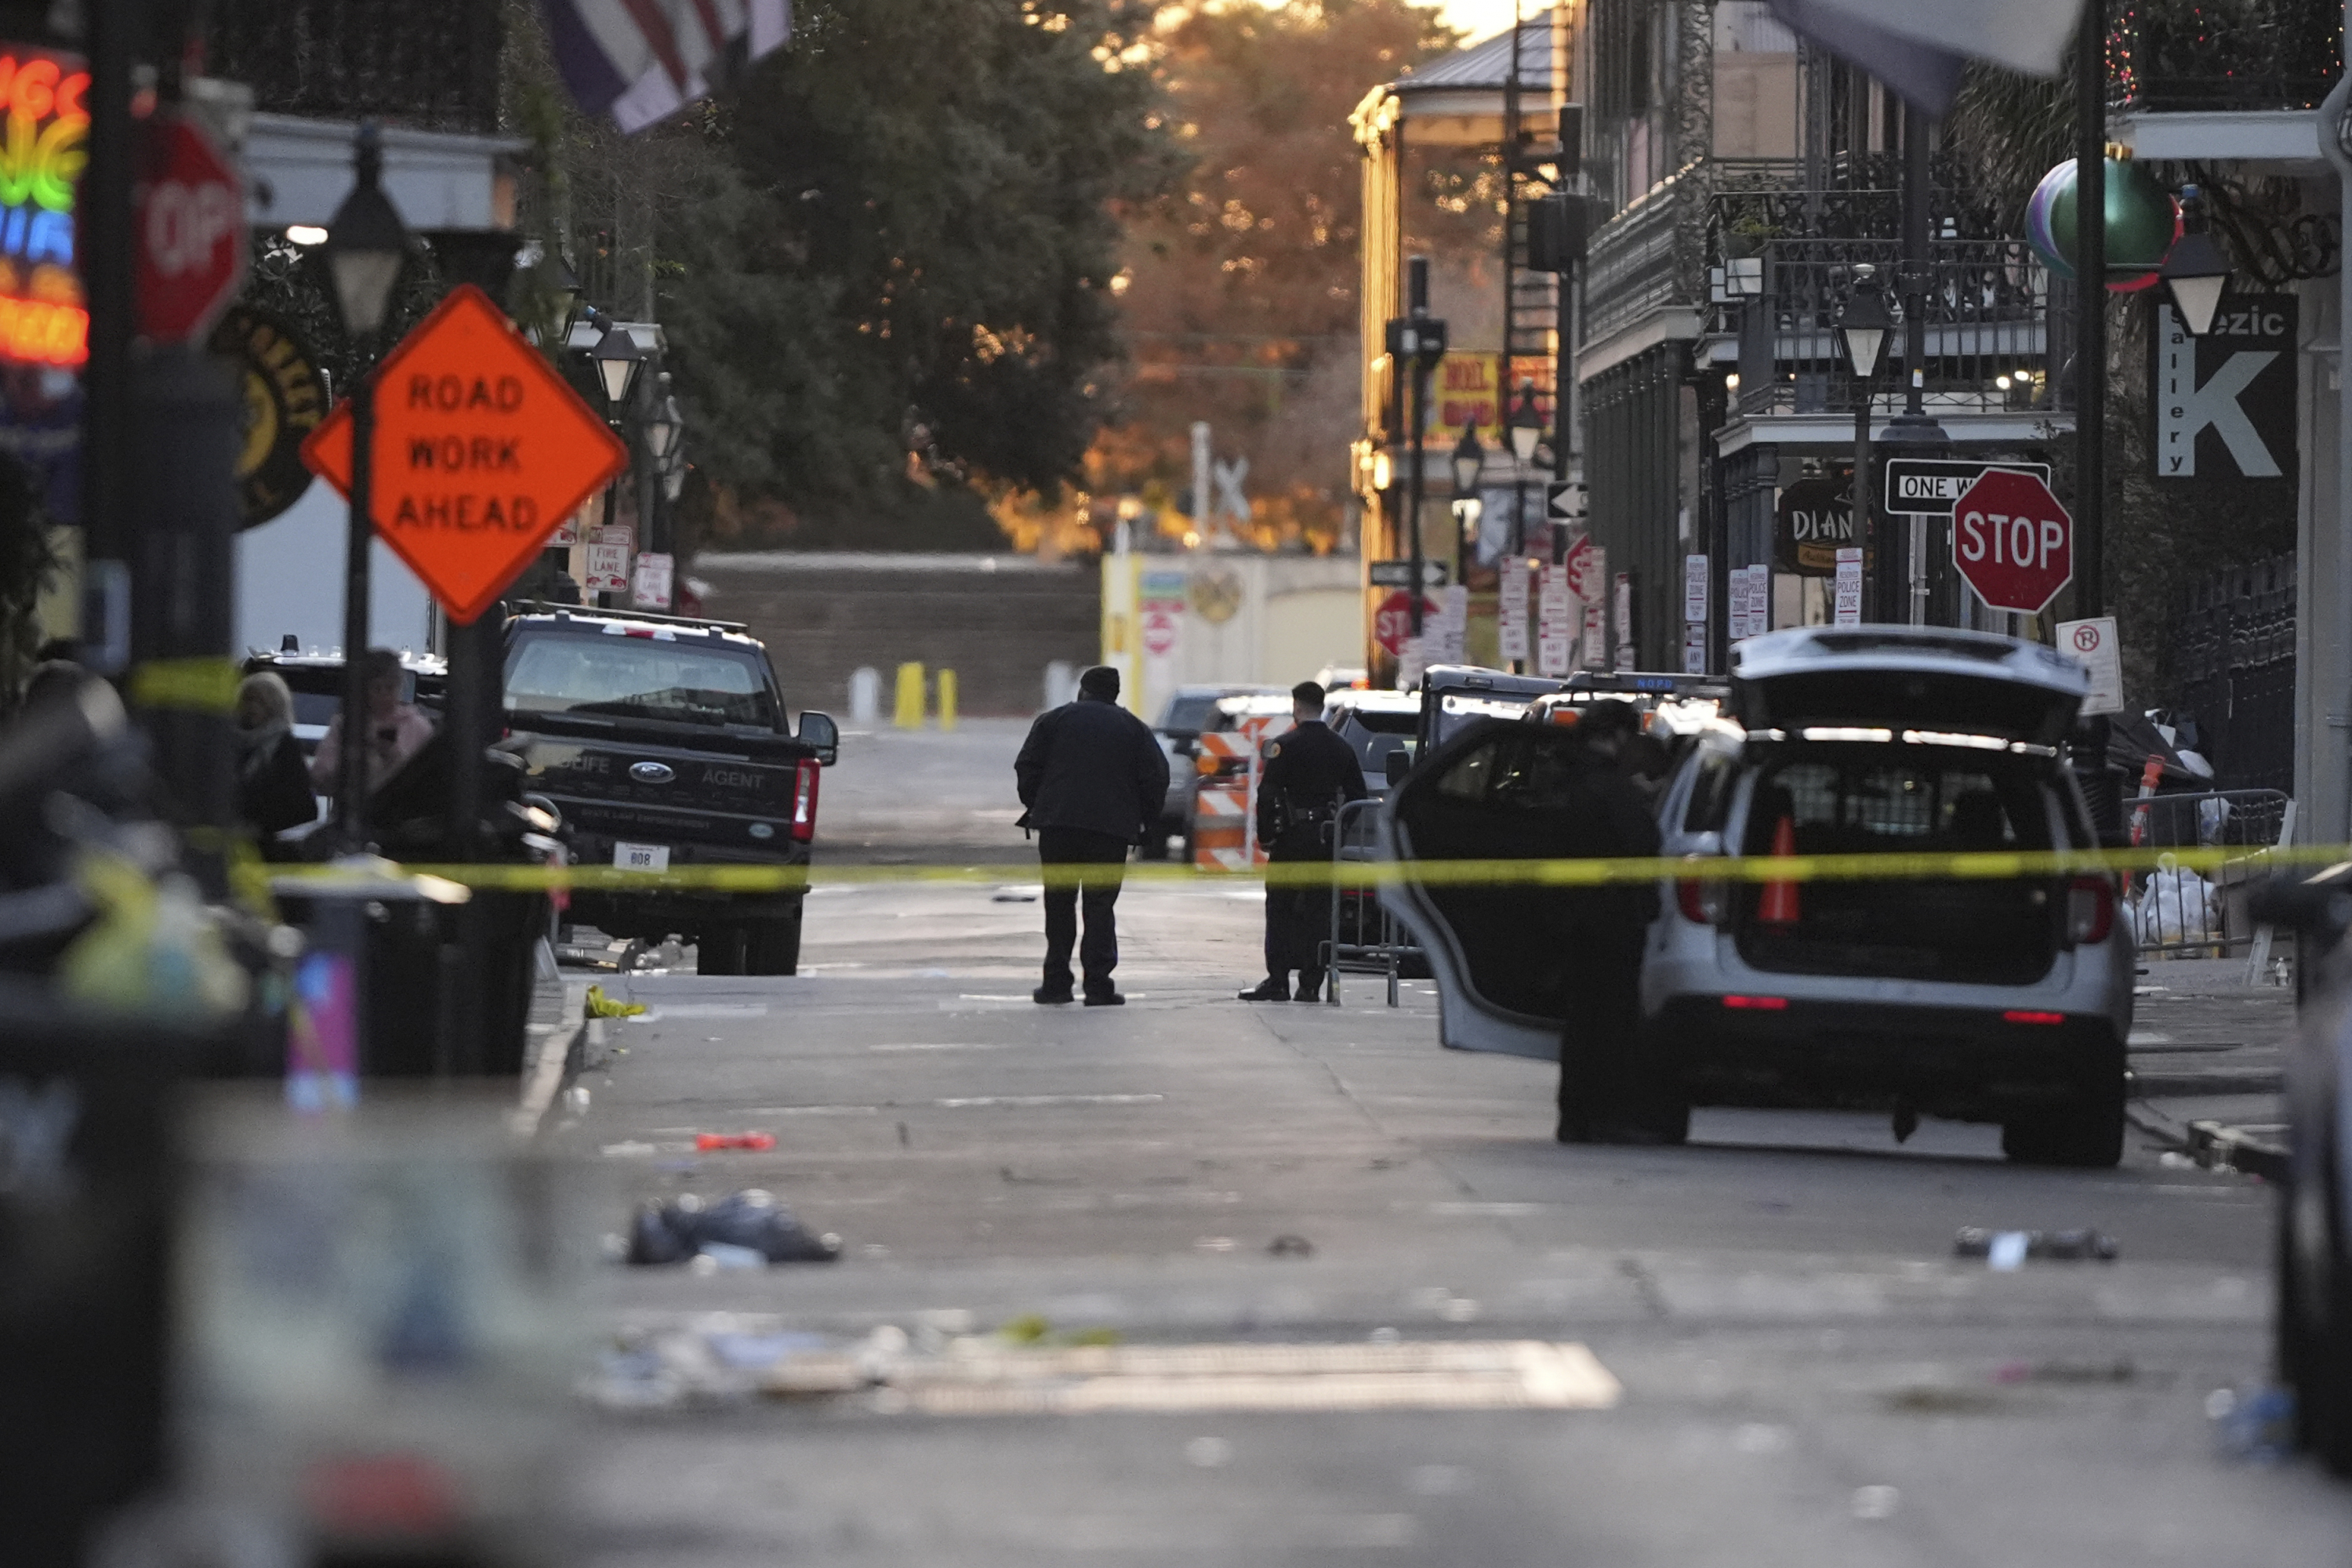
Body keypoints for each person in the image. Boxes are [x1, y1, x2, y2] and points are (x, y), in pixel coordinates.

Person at [1548, 699, 1671, 1143]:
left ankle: (1576, 1115)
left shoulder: (1563, 778)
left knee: (1583, 1021)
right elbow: (1643, 841)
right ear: (1617, 735)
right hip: (1611, 920)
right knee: (1611, 1021)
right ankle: (1601, 1115)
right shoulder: (1610, 787)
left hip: (1574, 917)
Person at [1014, 664, 1170, 1006]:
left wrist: (1040, 804)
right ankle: (1098, 985)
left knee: (1059, 904)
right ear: (1115, 695)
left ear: (1082, 690)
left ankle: (1056, 984)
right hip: (1110, 832)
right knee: (1099, 906)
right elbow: (1157, 777)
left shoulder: (1053, 721)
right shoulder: (1133, 728)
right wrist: (1142, 819)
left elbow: (1026, 766)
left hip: (1058, 828)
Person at [1240, 681, 1367, 1003]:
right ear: (1321, 706)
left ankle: (1278, 981)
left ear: (1296, 706)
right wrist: (1339, 829)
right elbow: (1358, 797)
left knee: (1281, 908)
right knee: (1318, 911)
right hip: (1324, 839)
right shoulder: (1341, 748)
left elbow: (1267, 795)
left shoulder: (1284, 745)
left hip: (1291, 839)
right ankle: (1310, 984)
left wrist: (1267, 836)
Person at [310, 648, 435, 797]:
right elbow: (320, 777)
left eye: (390, 688)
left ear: (400, 687)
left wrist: (393, 757)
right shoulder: (345, 725)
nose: (384, 695)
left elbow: (430, 781)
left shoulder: (418, 727)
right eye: (376, 688)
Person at [234, 671, 319, 837]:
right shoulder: (228, 743)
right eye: (248, 699)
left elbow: (301, 808)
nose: (251, 707)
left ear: (274, 707)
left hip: (269, 839)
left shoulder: (285, 747)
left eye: (260, 702)